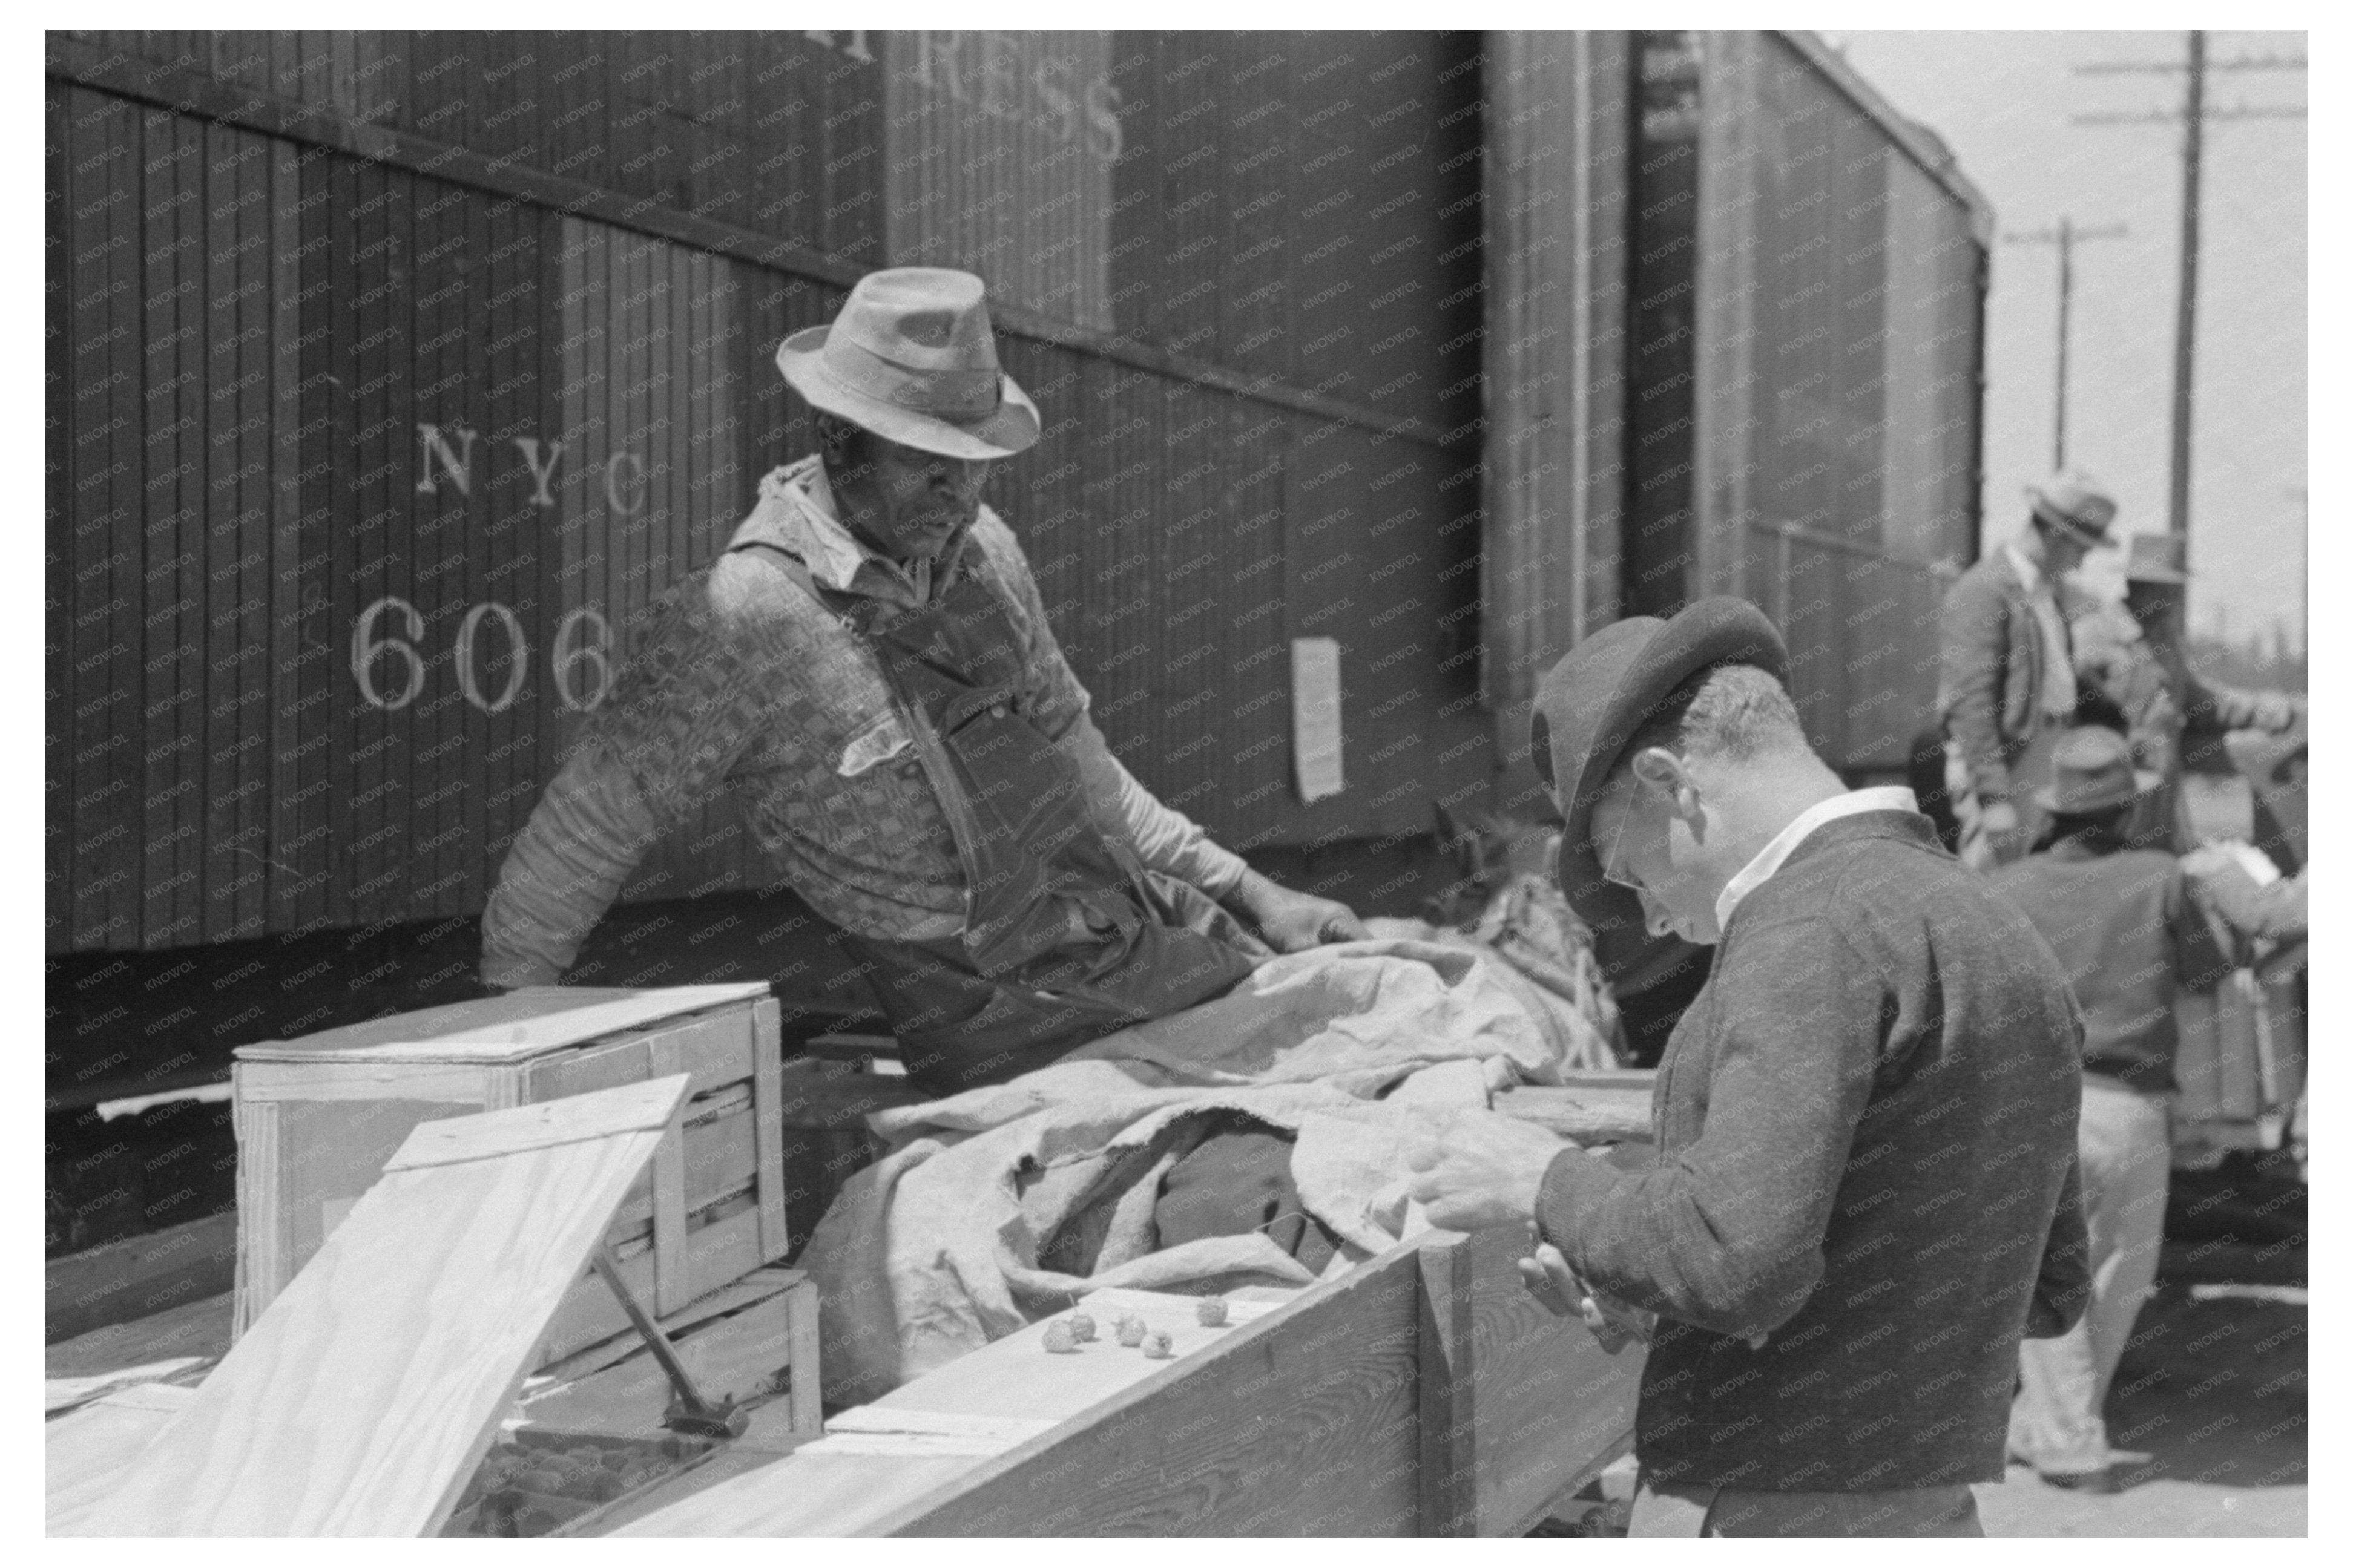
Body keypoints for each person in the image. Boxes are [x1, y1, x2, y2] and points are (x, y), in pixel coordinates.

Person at [479, 267, 1365, 1095]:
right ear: (835, 437)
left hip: (1121, 925)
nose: (959, 491)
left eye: (973, 457)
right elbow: (581, 835)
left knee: (1378, 1007)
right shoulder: (740, 620)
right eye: (925, 458)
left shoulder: (985, 555)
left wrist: (1251, 893)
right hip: (1007, 1022)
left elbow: (1083, 766)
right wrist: (497, 1054)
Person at [1404, 597, 2090, 1539]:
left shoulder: (1808, 928)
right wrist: (1663, 1291)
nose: (1645, 915)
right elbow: (2040, 1284)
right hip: (1928, 1509)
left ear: (1666, 780)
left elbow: (1738, 1262)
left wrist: (1540, 1177)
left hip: (1762, 1507)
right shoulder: (2001, 934)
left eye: (1624, 864)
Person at [1987, 726, 2265, 1490]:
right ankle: (2069, 1437)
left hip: (2035, 1108)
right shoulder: (2162, 876)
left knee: (2043, 1270)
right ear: (2126, 810)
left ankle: (2045, 1425)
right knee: (2118, 1272)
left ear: (2054, 810)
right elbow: (2209, 967)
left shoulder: (2008, 889)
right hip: (2134, 1107)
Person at [2071, 532, 2302, 851]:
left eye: (2175, 588)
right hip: (2109, 793)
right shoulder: (2092, 638)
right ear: (2136, 585)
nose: (2172, 598)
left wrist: (2263, 710)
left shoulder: (2164, 642)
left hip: (2161, 794)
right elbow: (2064, 716)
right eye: (2163, 587)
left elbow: (2197, 700)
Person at [1937, 470, 2119, 870]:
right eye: (2081, 548)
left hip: (2043, 753)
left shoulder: (2043, 594)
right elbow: (1971, 704)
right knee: (1990, 882)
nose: (2083, 560)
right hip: (2002, 762)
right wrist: (1993, 797)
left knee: (2025, 878)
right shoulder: (1984, 591)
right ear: (2056, 534)